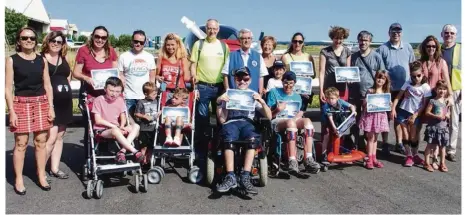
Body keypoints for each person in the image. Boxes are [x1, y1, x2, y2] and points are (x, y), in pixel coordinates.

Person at [6, 27, 55, 195]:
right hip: (21, 103)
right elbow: (7, 88)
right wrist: (11, 110)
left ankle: (41, 175)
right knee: (21, 143)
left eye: (32, 38)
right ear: (18, 41)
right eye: (25, 38)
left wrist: (50, 106)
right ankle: (18, 178)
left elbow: (47, 85)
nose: (29, 40)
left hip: (41, 102)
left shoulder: (42, 60)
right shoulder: (12, 60)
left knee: (41, 142)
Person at [215, 67, 272, 194]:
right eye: (239, 78)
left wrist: (261, 101)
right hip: (231, 122)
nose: (242, 81)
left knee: (252, 138)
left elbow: (269, 116)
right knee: (228, 136)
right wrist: (219, 103)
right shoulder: (228, 95)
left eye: (245, 78)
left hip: (248, 122)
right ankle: (230, 176)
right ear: (235, 80)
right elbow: (222, 120)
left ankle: (245, 176)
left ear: (250, 80)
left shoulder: (253, 95)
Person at [73, 26, 118, 161]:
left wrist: (120, 84)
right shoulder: (83, 51)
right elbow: (75, 72)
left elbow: (116, 73)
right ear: (92, 36)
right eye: (97, 36)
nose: (100, 40)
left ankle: (107, 155)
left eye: (103, 37)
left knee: (109, 123)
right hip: (90, 94)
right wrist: (87, 78)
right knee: (92, 127)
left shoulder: (111, 51)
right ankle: (90, 157)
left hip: (108, 96)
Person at [189, 19, 230, 160]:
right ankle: (200, 151)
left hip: (219, 88)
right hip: (203, 87)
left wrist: (227, 89)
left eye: (214, 29)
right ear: (206, 29)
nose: (212, 31)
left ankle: (219, 148)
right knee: (202, 119)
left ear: (218, 30)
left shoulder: (224, 47)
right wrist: (195, 85)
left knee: (221, 119)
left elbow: (227, 69)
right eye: (209, 28)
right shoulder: (198, 44)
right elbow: (193, 65)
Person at [266, 71, 320, 173]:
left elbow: (298, 114)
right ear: (282, 82)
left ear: (294, 83)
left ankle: (308, 158)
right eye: (286, 82)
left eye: (291, 83)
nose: (288, 85)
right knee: (291, 122)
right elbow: (268, 115)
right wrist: (277, 109)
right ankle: (292, 160)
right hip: (277, 121)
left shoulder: (297, 97)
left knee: (307, 121)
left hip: (292, 120)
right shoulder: (274, 92)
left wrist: (298, 116)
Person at [377, 23, 416, 155]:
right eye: (393, 31)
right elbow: (380, 70)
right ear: (389, 33)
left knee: (399, 118)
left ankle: (399, 142)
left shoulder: (408, 47)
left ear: (402, 33)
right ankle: (385, 142)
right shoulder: (383, 48)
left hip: (404, 89)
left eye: (398, 31)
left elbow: (412, 66)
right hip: (388, 89)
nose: (396, 34)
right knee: (386, 116)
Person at [41, 31, 73, 179]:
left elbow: (68, 76)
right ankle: (40, 170)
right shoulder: (42, 59)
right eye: (53, 41)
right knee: (51, 138)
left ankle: (54, 168)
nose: (55, 44)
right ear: (48, 41)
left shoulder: (63, 58)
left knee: (60, 136)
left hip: (65, 103)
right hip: (50, 104)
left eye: (59, 42)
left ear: (62, 45)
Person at [91, 77, 144, 164]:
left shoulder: (120, 100)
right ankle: (134, 151)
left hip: (117, 128)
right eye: (111, 90)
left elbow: (122, 115)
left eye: (117, 92)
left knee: (136, 126)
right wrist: (114, 127)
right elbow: (98, 120)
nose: (114, 94)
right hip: (102, 130)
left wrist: (122, 126)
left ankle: (122, 151)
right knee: (115, 130)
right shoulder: (98, 100)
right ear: (105, 89)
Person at [350, 30, 387, 154]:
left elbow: (382, 76)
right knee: (355, 121)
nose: (363, 42)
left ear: (370, 42)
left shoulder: (376, 57)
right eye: (361, 40)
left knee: (368, 124)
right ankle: (354, 145)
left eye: (366, 40)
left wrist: (377, 90)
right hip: (355, 94)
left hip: (371, 97)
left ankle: (368, 150)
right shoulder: (353, 56)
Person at [391, 61, 431, 167]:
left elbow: (424, 104)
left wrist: (416, 115)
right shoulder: (408, 83)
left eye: (419, 75)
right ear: (410, 75)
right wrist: (393, 108)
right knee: (405, 133)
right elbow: (399, 96)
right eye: (414, 76)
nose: (416, 78)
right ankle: (408, 155)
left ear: (422, 73)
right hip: (403, 110)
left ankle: (415, 154)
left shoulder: (425, 87)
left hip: (415, 113)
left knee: (413, 136)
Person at [118, 30, 156, 117]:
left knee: (144, 124)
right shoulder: (123, 56)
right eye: (136, 41)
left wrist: (151, 93)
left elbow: (152, 76)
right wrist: (122, 93)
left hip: (144, 96)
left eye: (141, 42)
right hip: (128, 96)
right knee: (129, 122)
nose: (138, 44)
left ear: (145, 43)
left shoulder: (149, 57)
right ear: (132, 41)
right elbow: (121, 75)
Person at [359, 71, 391, 169]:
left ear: (385, 81)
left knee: (376, 138)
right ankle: (369, 158)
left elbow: (388, 103)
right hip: (371, 116)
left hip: (380, 116)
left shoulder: (386, 92)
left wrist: (390, 104)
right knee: (370, 138)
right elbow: (364, 104)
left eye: (383, 78)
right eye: (379, 77)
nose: (380, 80)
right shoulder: (370, 91)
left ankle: (374, 158)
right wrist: (366, 101)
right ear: (375, 78)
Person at [222, 28, 268, 94]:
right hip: (235, 95)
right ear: (239, 40)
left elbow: (261, 76)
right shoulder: (231, 55)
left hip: (253, 95)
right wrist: (227, 91)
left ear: (251, 40)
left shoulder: (258, 56)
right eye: (244, 38)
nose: (246, 41)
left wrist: (260, 94)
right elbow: (225, 75)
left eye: (249, 38)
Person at [440, 24, 461, 162]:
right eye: (446, 33)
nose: (449, 35)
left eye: (452, 33)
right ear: (442, 35)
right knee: (439, 119)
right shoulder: (437, 49)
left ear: (456, 35)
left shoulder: (461, 49)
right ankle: (437, 147)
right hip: (440, 90)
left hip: (455, 89)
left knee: (453, 121)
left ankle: (451, 150)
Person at [320, 87, 357, 164]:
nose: (330, 100)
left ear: (337, 98)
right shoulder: (326, 106)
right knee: (326, 136)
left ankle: (339, 152)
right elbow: (330, 119)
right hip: (327, 121)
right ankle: (323, 154)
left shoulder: (340, 101)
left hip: (337, 120)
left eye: (332, 98)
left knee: (340, 135)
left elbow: (351, 106)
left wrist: (353, 111)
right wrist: (334, 128)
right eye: (328, 98)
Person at [282, 32, 316, 111]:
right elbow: (282, 75)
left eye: (300, 42)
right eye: (295, 41)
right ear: (292, 42)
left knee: (300, 114)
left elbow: (313, 75)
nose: (297, 44)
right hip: (290, 90)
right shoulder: (285, 56)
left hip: (304, 92)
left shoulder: (308, 56)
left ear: (303, 43)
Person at [423, 80, 450, 172]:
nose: (442, 91)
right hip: (433, 128)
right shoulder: (432, 101)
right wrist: (436, 116)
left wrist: (447, 115)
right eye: (440, 89)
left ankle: (442, 163)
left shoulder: (446, 102)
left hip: (443, 128)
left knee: (443, 147)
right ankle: (426, 163)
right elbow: (427, 112)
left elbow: (448, 113)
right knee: (430, 145)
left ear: (446, 90)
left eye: (444, 89)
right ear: (436, 89)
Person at [319, 26, 351, 103]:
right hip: (328, 88)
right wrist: (321, 91)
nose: (338, 40)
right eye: (336, 38)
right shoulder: (325, 51)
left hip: (342, 88)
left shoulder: (347, 51)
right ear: (332, 38)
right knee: (327, 112)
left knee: (342, 112)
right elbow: (321, 72)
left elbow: (348, 70)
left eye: (341, 38)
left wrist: (350, 79)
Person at [134, 82, 160, 165]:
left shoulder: (157, 101)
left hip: (154, 128)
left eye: (156, 93)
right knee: (144, 146)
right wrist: (144, 116)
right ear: (146, 94)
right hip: (144, 128)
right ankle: (141, 161)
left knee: (152, 146)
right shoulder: (141, 102)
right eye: (153, 94)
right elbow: (136, 114)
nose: (155, 95)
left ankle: (149, 161)